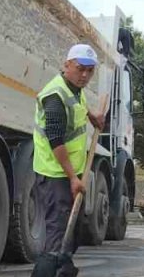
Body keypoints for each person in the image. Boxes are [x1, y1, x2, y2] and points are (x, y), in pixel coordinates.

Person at [32, 44, 107, 258]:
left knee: (72, 231)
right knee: (59, 232)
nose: (85, 75)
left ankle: (61, 276)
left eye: (90, 70)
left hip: (69, 173)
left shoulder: (74, 89)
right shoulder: (55, 96)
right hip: (55, 174)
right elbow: (56, 139)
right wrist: (73, 178)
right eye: (80, 68)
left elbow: (77, 108)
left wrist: (92, 116)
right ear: (67, 65)